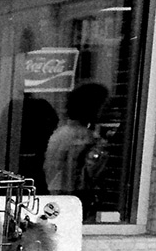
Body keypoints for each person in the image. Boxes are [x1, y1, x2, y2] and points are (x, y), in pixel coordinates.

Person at [43, 83, 109, 212]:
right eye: (104, 105)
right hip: (69, 195)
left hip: (57, 192)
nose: (107, 110)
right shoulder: (82, 137)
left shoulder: (62, 132)